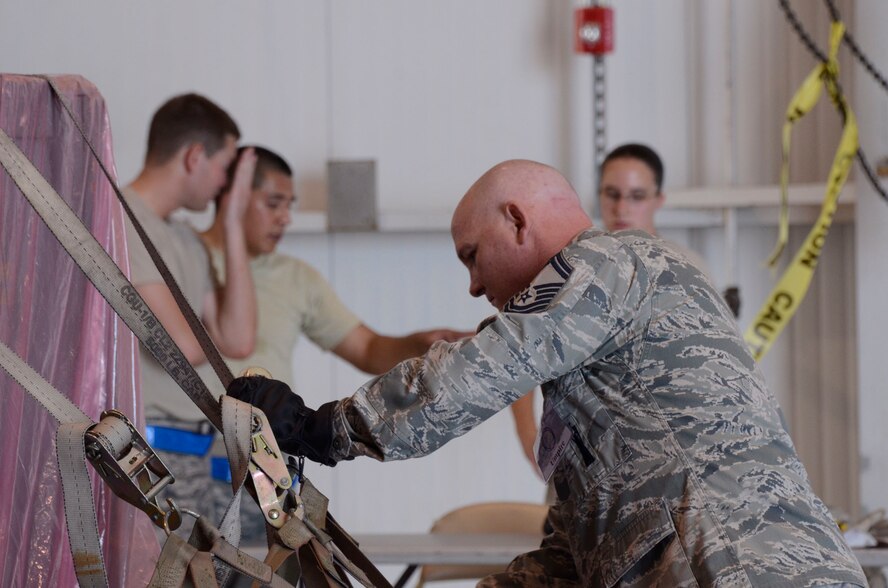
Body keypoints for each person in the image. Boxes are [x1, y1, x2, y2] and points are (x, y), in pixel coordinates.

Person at [228, 159, 865, 586]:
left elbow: (479, 371)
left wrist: (319, 428)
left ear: (517, 220)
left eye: (473, 257)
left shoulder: (611, 262)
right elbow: (574, 552)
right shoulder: (593, 373)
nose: (474, 286)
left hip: (746, 567)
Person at [200, 145, 472, 395]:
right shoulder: (185, 258)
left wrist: (423, 346)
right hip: (182, 443)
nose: (285, 218)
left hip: (263, 446)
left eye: (288, 205)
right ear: (231, 196)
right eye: (273, 204)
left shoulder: (297, 277)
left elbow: (367, 349)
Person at [512, 143, 715, 471]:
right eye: (612, 193)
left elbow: (714, 368)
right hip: (585, 463)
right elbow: (520, 350)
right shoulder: (569, 267)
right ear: (599, 196)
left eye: (636, 196)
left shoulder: (689, 269)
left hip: (667, 461)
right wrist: (530, 440)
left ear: (658, 200)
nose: (622, 207)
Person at [122, 93, 258, 529]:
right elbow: (180, 346)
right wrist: (200, 334)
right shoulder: (118, 220)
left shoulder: (185, 240)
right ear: (194, 156)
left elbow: (237, 339)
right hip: (148, 456)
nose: (225, 181)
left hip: (199, 453)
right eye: (225, 166)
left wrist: (233, 222)